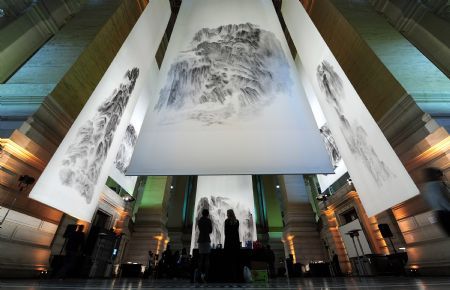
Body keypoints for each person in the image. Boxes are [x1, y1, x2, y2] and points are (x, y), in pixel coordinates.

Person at [421, 167, 450, 236]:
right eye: (440, 175)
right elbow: (440, 199)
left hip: (438, 214)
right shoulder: (437, 184)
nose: (441, 177)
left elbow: (428, 201)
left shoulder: (425, 188)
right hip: (446, 212)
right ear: (435, 175)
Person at [224, 209, 240, 282]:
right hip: (236, 242)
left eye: (227, 213)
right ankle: (236, 277)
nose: (226, 214)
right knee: (236, 259)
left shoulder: (226, 221)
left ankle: (229, 277)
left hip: (228, 242)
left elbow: (226, 233)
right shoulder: (237, 221)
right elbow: (236, 232)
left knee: (228, 260)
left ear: (228, 214)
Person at [197, 208, 212, 282]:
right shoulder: (208, 221)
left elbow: (200, 229)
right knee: (207, 258)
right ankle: (207, 276)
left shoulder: (199, 221)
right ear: (207, 214)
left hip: (200, 239)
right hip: (206, 239)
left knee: (201, 258)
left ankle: (199, 276)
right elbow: (210, 230)